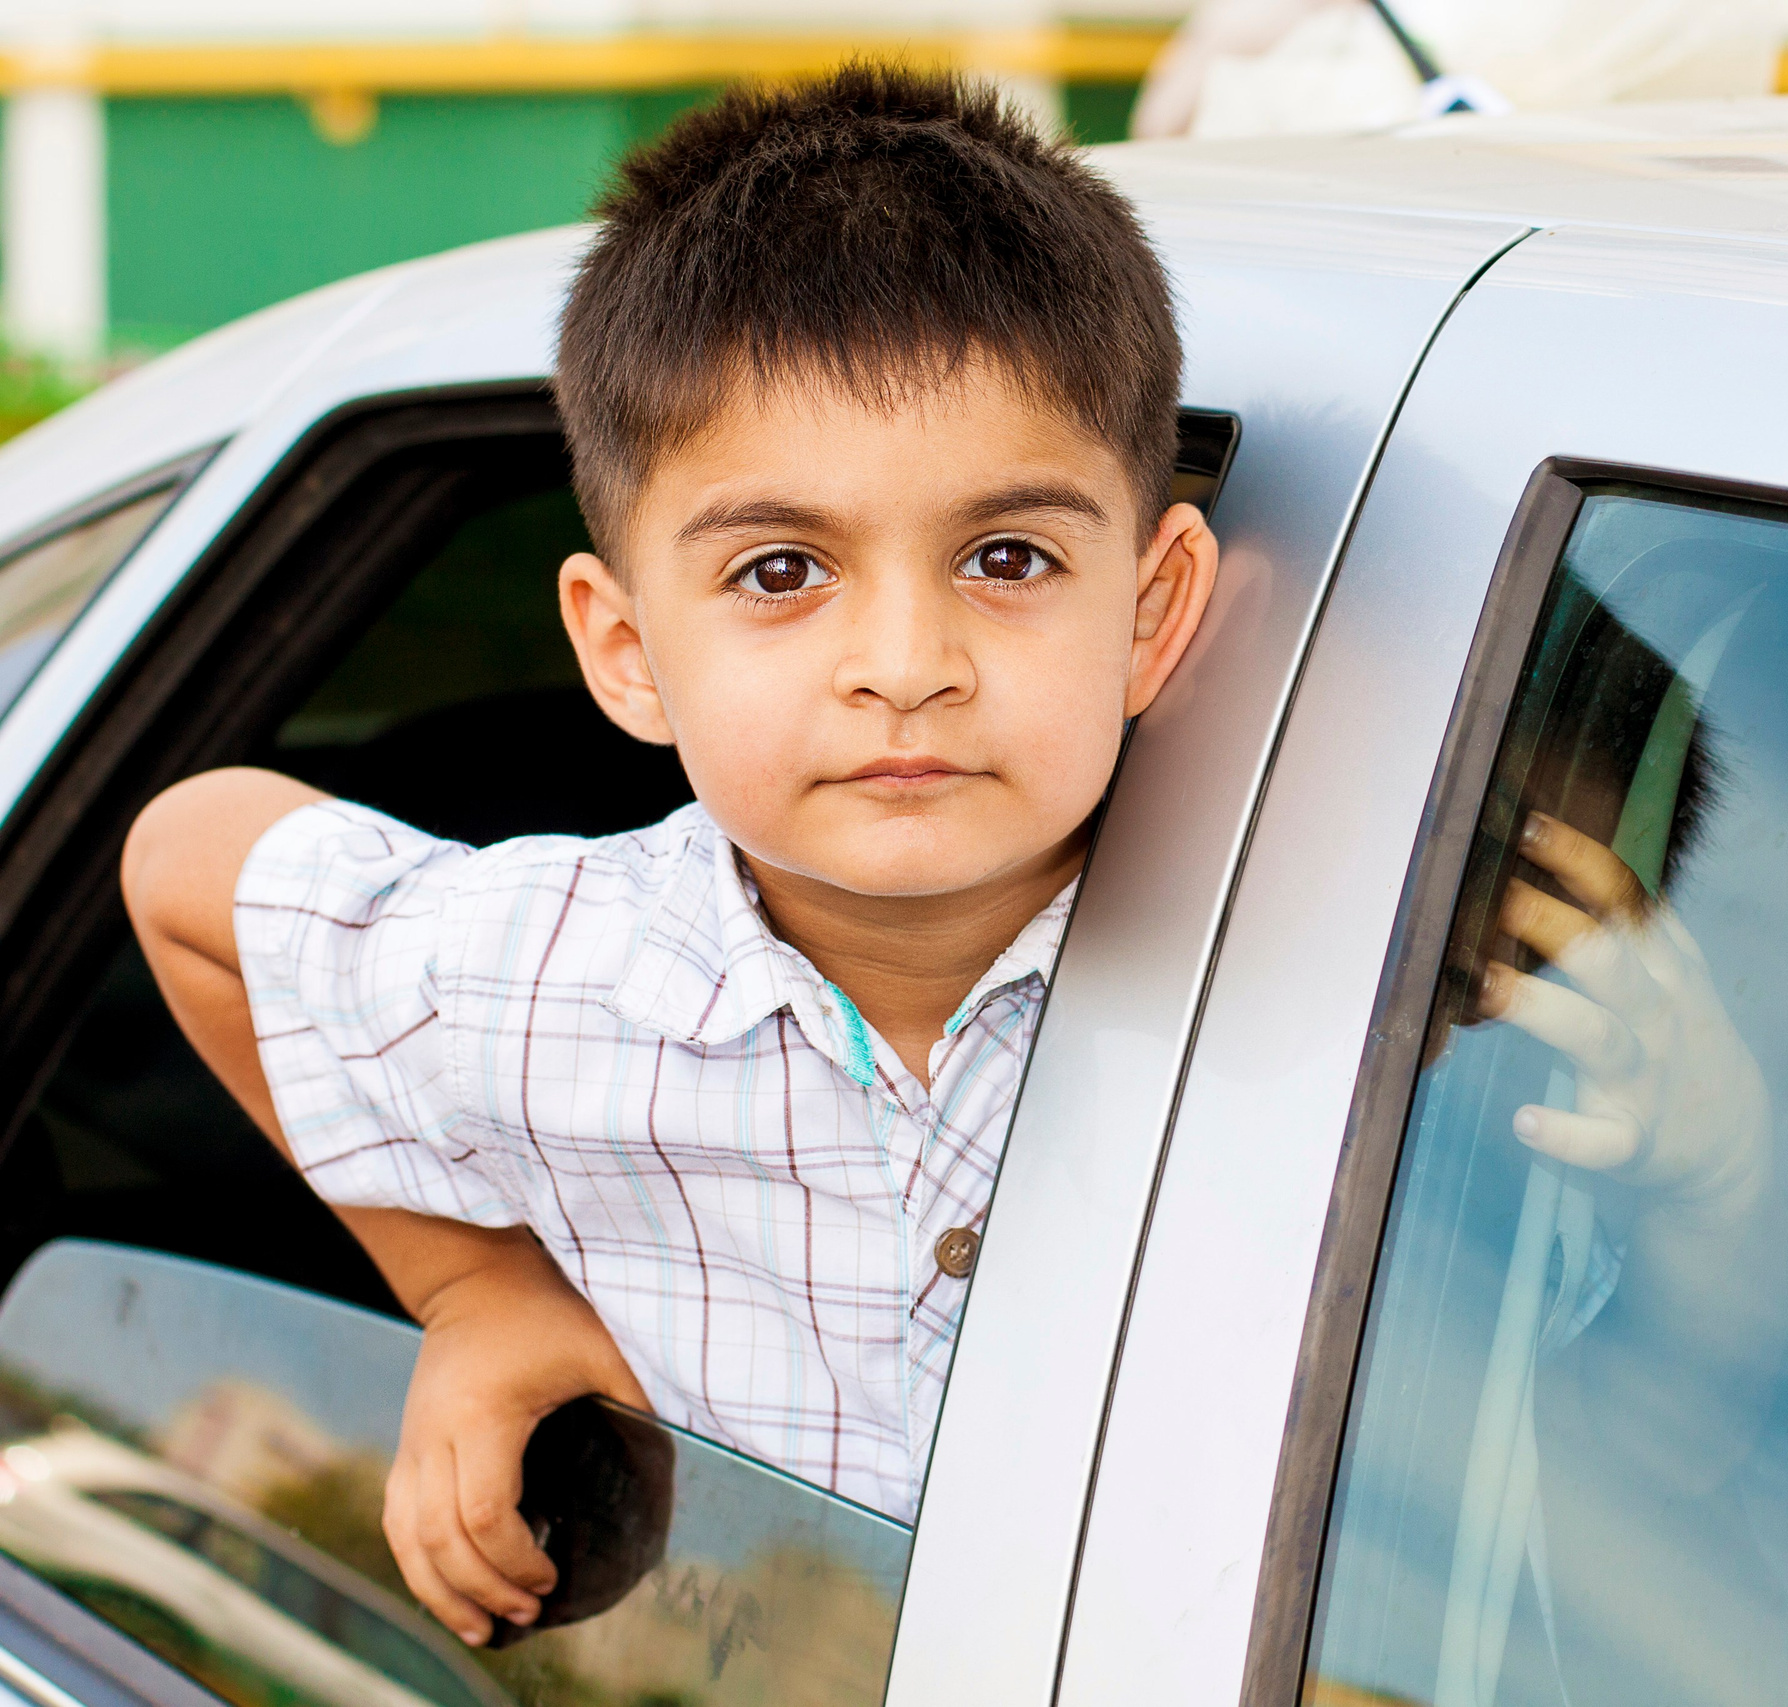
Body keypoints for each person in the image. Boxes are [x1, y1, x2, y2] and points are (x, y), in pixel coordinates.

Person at [117, 63, 1217, 1646]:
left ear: (1153, 610)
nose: (904, 661)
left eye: (1005, 557)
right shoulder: (550, 967)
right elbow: (185, 867)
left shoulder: (1328, 976)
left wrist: (1708, 1143)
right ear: (626, 649)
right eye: (783, 570)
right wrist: (472, 1287)